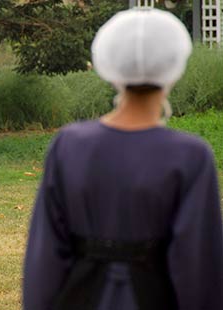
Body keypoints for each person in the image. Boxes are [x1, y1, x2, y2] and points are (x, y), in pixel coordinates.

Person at [23, 8, 223, 310]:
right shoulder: (191, 156)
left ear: (110, 65)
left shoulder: (69, 145)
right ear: (174, 67)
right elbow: (198, 265)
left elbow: (44, 258)